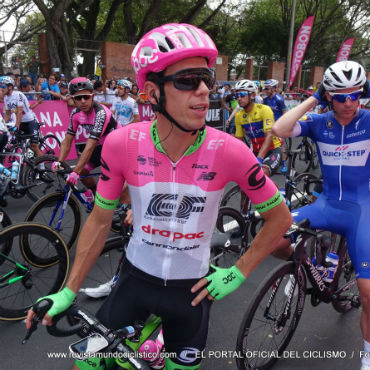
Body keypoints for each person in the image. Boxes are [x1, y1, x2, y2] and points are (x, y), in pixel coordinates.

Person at [26, 23, 291, 370]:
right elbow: (100, 219)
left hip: (192, 294)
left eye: (206, 79)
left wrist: (237, 273)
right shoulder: (123, 144)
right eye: (187, 80)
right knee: (86, 365)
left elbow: (280, 218)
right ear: (152, 92)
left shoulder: (230, 151)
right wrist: (67, 290)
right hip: (135, 282)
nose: (203, 91)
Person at [271, 60, 370, 370]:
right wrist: (315, 97)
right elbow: (279, 129)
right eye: (341, 96)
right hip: (326, 204)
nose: (350, 103)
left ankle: (367, 354)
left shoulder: (367, 119)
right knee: (272, 237)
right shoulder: (320, 122)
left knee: (368, 295)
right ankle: (314, 266)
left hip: (360, 210)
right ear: (329, 96)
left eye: (357, 94)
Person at [51, 77, 117, 194]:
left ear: (92, 96)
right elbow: (67, 140)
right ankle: (94, 193)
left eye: (86, 96)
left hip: (116, 145)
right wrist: (59, 162)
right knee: (83, 171)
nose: (82, 101)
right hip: (101, 145)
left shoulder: (101, 113)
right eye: (78, 98)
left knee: (111, 178)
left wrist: (75, 171)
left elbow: (90, 145)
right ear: (73, 99)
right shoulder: (75, 113)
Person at [234, 79, 283, 178]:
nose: (239, 98)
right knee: (244, 180)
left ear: (252, 95)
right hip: (255, 151)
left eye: (242, 94)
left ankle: (273, 193)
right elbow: (239, 140)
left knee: (261, 175)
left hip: (272, 150)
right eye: (237, 95)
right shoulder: (239, 115)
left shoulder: (264, 110)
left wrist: (259, 158)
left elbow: (269, 136)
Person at [0, 75, 44, 159]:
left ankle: (42, 169)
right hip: (22, 122)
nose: (1, 88)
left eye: (3, 86)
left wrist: (16, 126)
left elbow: (20, 112)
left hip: (31, 121)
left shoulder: (18, 95)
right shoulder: (6, 98)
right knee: (17, 144)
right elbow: (8, 114)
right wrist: (3, 126)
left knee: (34, 145)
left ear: (10, 87)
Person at [263, 79, 288, 172]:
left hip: (279, 125)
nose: (265, 90)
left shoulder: (279, 99)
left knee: (280, 145)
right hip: (269, 126)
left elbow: (285, 113)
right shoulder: (265, 100)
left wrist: (284, 126)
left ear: (273, 89)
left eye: (267, 88)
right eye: (264, 88)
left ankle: (284, 164)